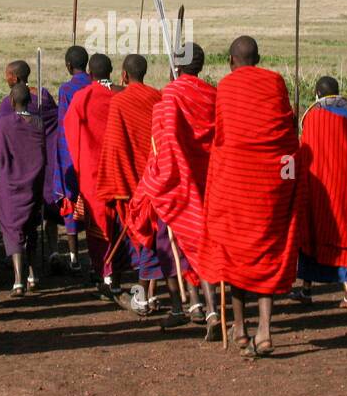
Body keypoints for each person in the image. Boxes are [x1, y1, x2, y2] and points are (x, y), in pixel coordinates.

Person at [203, 36, 305, 358]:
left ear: (231, 60)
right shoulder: (275, 82)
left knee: (235, 252)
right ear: (258, 58)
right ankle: (264, 330)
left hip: (235, 183)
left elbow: (221, 137)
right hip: (272, 182)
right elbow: (288, 138)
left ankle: (240, 327)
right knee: (268, 249)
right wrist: (289, 180)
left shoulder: (226, 87)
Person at [128, 43, 220, 338]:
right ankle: (204, 307)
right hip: (207, 182)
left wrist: (156, 178)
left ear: (176, 65)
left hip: (176, 182)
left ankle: (191, 308)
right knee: (201, 245)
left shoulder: (172, 95)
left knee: (174, 245)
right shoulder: (211, 95)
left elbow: (163, 142)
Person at [96, 54, 177, 322]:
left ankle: (139, 292)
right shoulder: (157, 97)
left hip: (131, 183)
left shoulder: (119, 101)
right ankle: (151, 292)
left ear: (124, 75)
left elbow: (115, 146)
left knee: (140, 236)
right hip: (156, 178)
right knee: (155, 235)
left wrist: (112, 181)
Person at [295, 75, 347, 309]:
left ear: (317, 95)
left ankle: (311, 290)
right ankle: (345, 293)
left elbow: (306, 155)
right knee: (342, 235)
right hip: (346, 186)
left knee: (313, 233)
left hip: (320, 188)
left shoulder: (314, 117)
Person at [63, 53, 121, 299]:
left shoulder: (81, 98)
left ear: (90, 72)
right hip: (119, 170)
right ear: (112, 71)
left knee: (97, 224)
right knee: (119, 220)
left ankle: (104, 272)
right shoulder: (121, 94)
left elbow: (71, 137)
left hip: (91, 171)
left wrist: (78, 168)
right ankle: (116, 271)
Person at [0, 83, 47, 295]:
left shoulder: (5, 124)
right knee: (31, 227)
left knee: (13, 228)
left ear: (11, 101)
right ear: (30, 102)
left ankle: (18, 280)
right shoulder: (38, 123)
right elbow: (41, 156)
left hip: (10, 184)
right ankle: (33, 275)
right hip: (33, 183)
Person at [51, 45, 92, 271]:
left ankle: (75, 257)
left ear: (68, 65)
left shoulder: (66, 90)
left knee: (70, 201)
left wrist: (63, 162)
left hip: (73, 152)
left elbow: (64, 127)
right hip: (93, 152)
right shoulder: (95, 85)